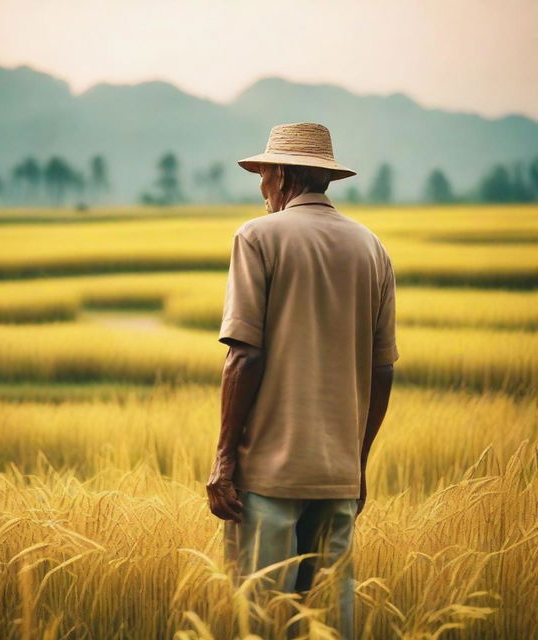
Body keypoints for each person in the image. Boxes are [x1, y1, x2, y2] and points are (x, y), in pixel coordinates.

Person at [205, 122, 399, 640]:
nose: (261, 185)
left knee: (262, 622)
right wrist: (357, 463)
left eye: (264, 173)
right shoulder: (371, 247)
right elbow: (382, 370)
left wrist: (225, 461)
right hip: (338, 476)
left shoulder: (258, 236)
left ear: (284, 174)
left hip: (268, 477)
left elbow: (243, 357)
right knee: (329, 626)